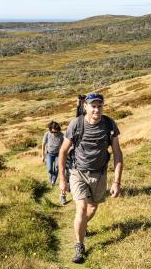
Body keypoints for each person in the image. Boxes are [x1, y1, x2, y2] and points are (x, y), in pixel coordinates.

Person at [58, 93, 123, 264]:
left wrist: (116, 181)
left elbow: (117, 154)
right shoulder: (76, 124)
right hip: (77, 172)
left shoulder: (109, 124)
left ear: (103, 106)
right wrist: (62, 179)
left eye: (99, 106)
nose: (96, 109)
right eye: (92, 106)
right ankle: (79, 246)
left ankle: (82, 227)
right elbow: (63, 152)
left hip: (99, 174)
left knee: (92, 208)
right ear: (85, 106)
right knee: (81, 207)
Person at [41, 121, 66, 204]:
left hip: (58, 155)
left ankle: (53, 181)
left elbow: (65, 144)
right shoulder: (47, 134)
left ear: (58, 130)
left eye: (56, 131)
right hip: (49, 154)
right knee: (49, 169)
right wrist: (43, 155)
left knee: (57, 167)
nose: (54, 133)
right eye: (52, 131)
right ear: (50, 130)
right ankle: (51, 175)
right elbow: (43, 144)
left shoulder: (62, 135)